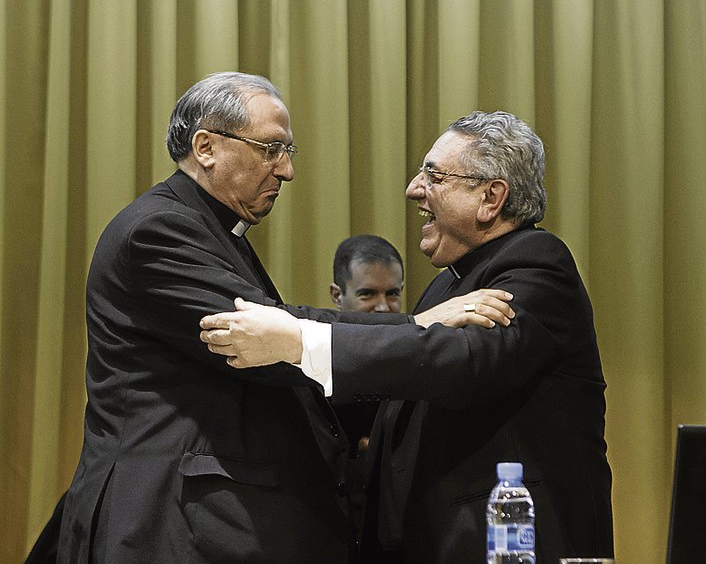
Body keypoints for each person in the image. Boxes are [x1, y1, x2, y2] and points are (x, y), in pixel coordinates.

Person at [57, 73, 514, 564]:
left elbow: (282, 333)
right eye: (271, 149)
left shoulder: (212, 227)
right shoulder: (159, 229)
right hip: (163, 523)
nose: (286, 171)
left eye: (288, 151)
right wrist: (419, 325)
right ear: (206, 146)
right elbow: (265, 338)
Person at [200, 111, 614, 563]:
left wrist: (300, 342)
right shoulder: (449, 283)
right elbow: (400, 376)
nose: (414, 188)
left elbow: (462, 362)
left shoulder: (537, 263)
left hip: (510, 545)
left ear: (491, 198)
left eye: (434, 175)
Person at [328, 235, 405, 541]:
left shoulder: (416, 360)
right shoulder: (313, 361)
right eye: (368, 294)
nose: (384, 308)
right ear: (337, 296)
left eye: (393, 293)